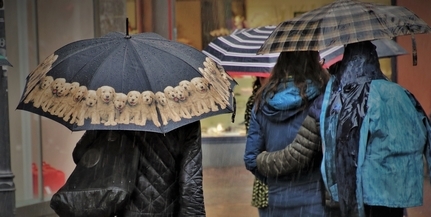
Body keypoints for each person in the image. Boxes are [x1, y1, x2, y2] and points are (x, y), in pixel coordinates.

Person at [320, 40, 431, 217]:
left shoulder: (359, 97)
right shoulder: (401, 93)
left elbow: (345, 148)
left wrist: (336, 190)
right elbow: (424, 130)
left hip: (372, 188)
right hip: (403, 183)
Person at [244, 51, 330, 217]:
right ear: (312, 63)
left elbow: (251, 159)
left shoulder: (260, 102)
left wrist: (276, 180)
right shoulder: (322, 98)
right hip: (314, 201)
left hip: (276, 203)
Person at [64, 121, 206, 217]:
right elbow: (191, 182)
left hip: (122, 205)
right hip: (165, 210)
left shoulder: (116, 108)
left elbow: (80, 154)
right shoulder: (184, 115)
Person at [244, 76, 270, 210]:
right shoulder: (254, 102)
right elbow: (252, 137)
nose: (263, 78)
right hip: (265, 172)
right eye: (261, 76)